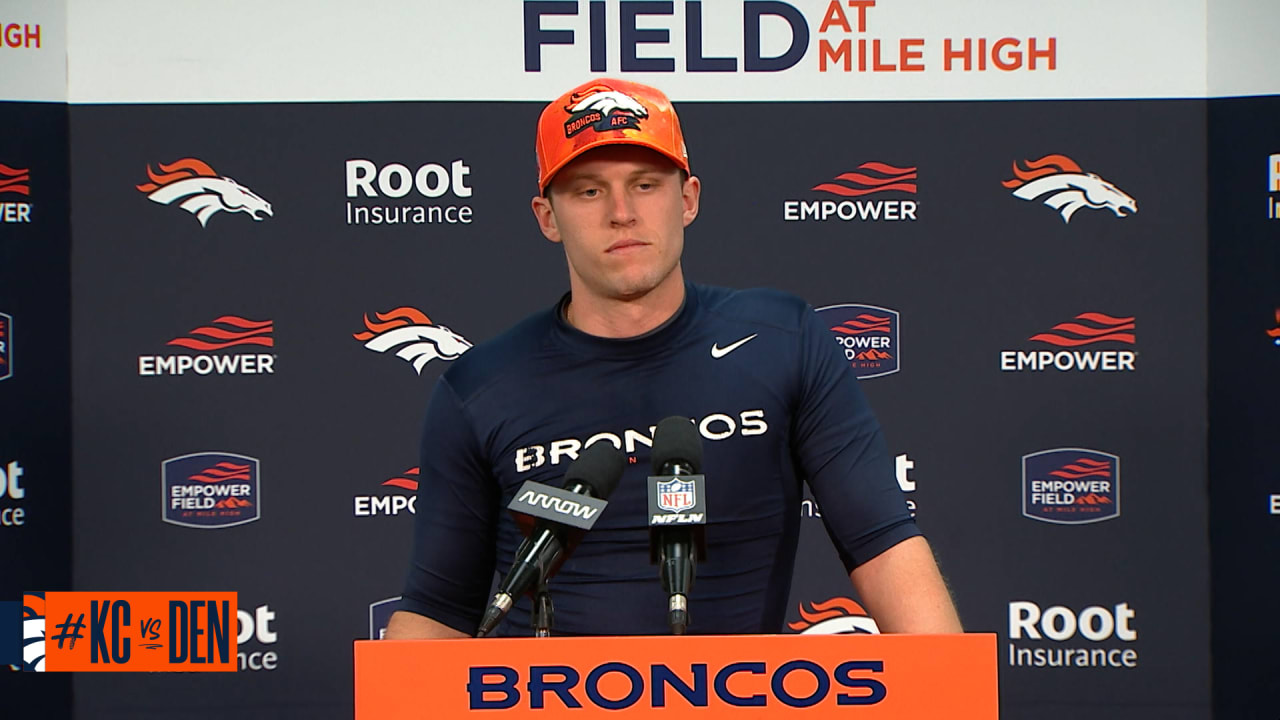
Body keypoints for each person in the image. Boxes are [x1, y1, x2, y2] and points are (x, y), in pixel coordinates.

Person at [385, 78, 962, 638]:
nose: (620, 212)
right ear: (546, 217)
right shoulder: (479, 387)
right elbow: (438, 609)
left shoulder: (783, 340)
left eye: (645, 184)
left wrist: (952, 700)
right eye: (588, 190)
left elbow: (884, 545)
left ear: (686, 200)